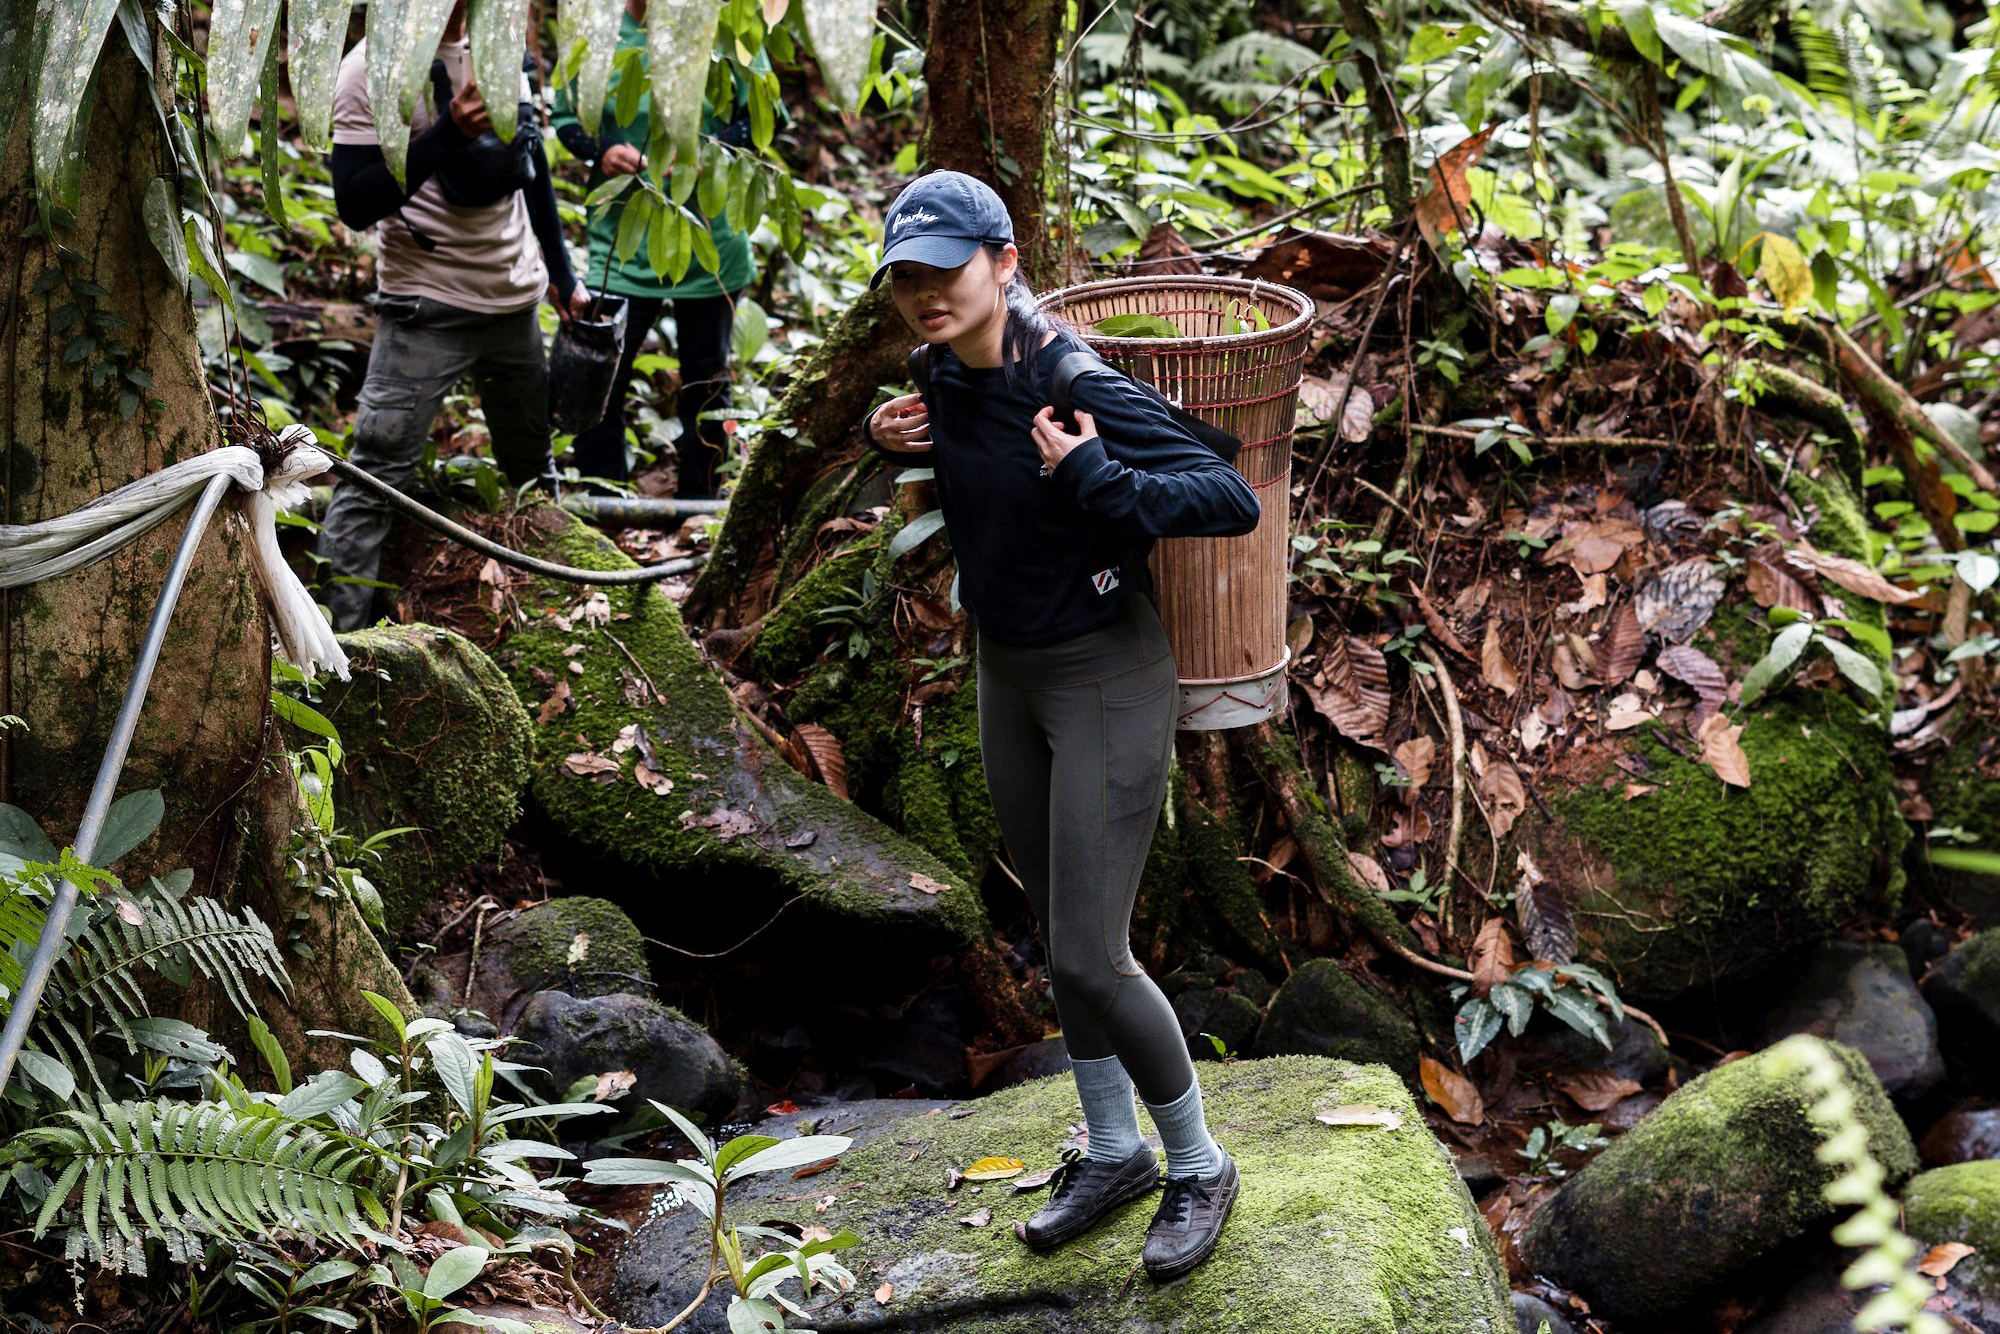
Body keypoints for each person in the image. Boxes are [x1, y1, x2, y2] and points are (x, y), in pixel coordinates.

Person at [864, 170, 1259, 1281]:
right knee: (1054, 931)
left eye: (946, 270)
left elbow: (1226, 492)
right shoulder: (938, 371)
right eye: (907, 276)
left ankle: (1197, 1163)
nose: (925, 293)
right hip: (1008, 674)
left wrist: (1096, 473)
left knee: (1092, 949)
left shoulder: (1070, 377)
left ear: (1003, 263)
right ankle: (1114, 1146)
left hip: (1104, 674)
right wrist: (885, 437)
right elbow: (959, 457)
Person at [319, 6, 587, 631]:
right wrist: (447, 134)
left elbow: (531, 163)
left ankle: (553, 624)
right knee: (374, 480)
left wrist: (563, 278)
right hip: (424, 307)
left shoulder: (499, 46)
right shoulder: (371, 68)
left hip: (514, 301)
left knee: (532, 471)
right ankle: (335, 659)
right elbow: (355, 203)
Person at [550, 0, 759, 499]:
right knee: (602, 378)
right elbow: (566, 120)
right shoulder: (596, 30)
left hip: (710, 240)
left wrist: (708, 151)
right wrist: (602, 149)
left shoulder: (726, 27)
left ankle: (699, 501)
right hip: (620, 240)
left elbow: (757, 122)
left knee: (706, 385)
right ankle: (606, 500)